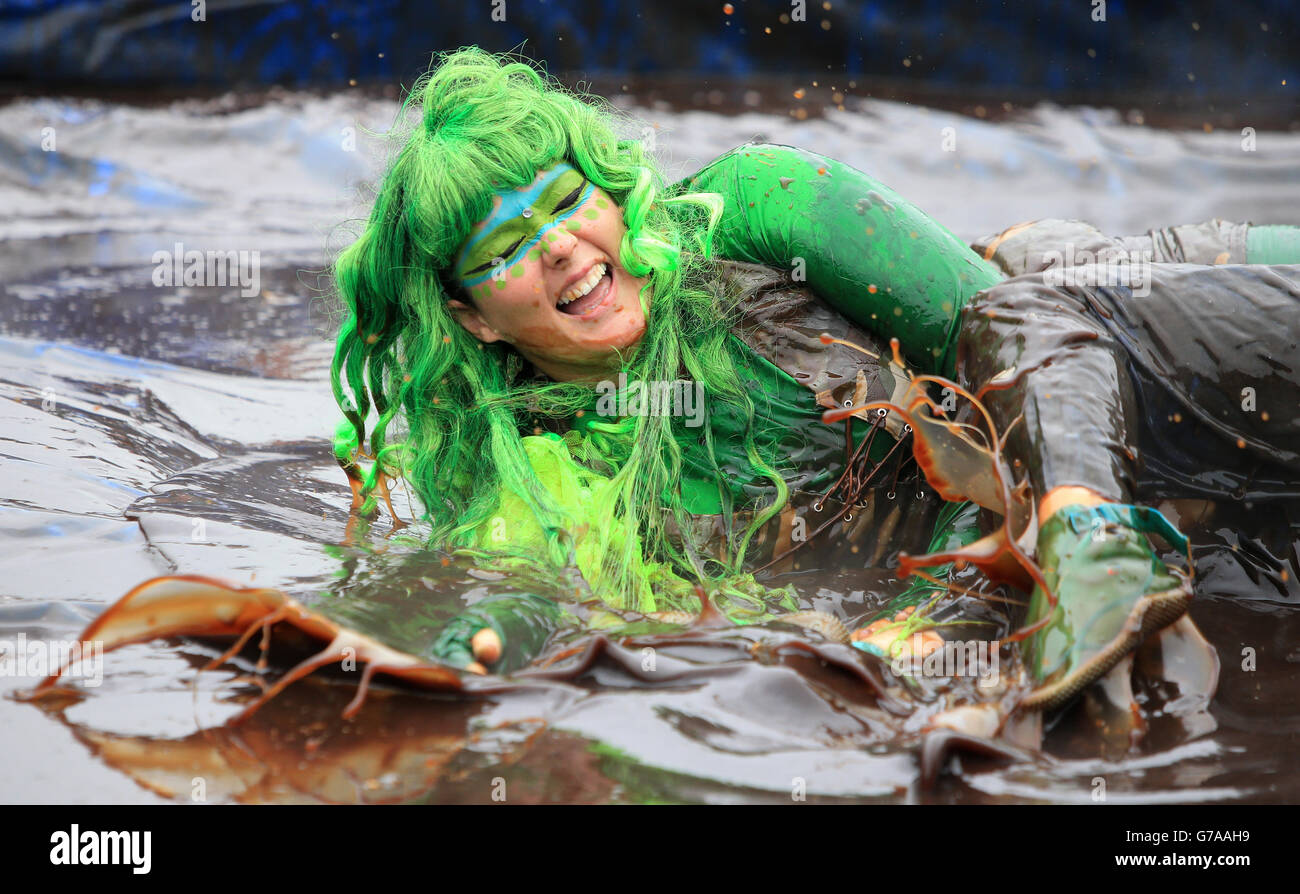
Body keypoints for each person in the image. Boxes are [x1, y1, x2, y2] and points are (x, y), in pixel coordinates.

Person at [331, 46, 1300, 714]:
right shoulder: (520, 471)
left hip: (1161, 321)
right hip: (1181, 515)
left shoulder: (756, 208)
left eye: (565, 201)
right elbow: (531, 597)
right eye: (506, 246)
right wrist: (459, 652)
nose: (558, 249)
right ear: (466, 312)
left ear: (609, 186)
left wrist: (993, 585)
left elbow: (1029, 334)